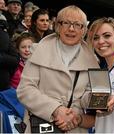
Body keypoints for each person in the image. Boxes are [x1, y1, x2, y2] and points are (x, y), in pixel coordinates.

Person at [16, 5, 99, 133]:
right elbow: (25, 90)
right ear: (57, 26)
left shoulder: (93, 61)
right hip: (41, 125)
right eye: (66, 23)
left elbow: (86, 98)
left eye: (77, 24)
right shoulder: (39, 51)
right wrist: (56, 109)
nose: (71, 29)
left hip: (74, 126)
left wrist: (96, 100)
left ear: (84, 30)